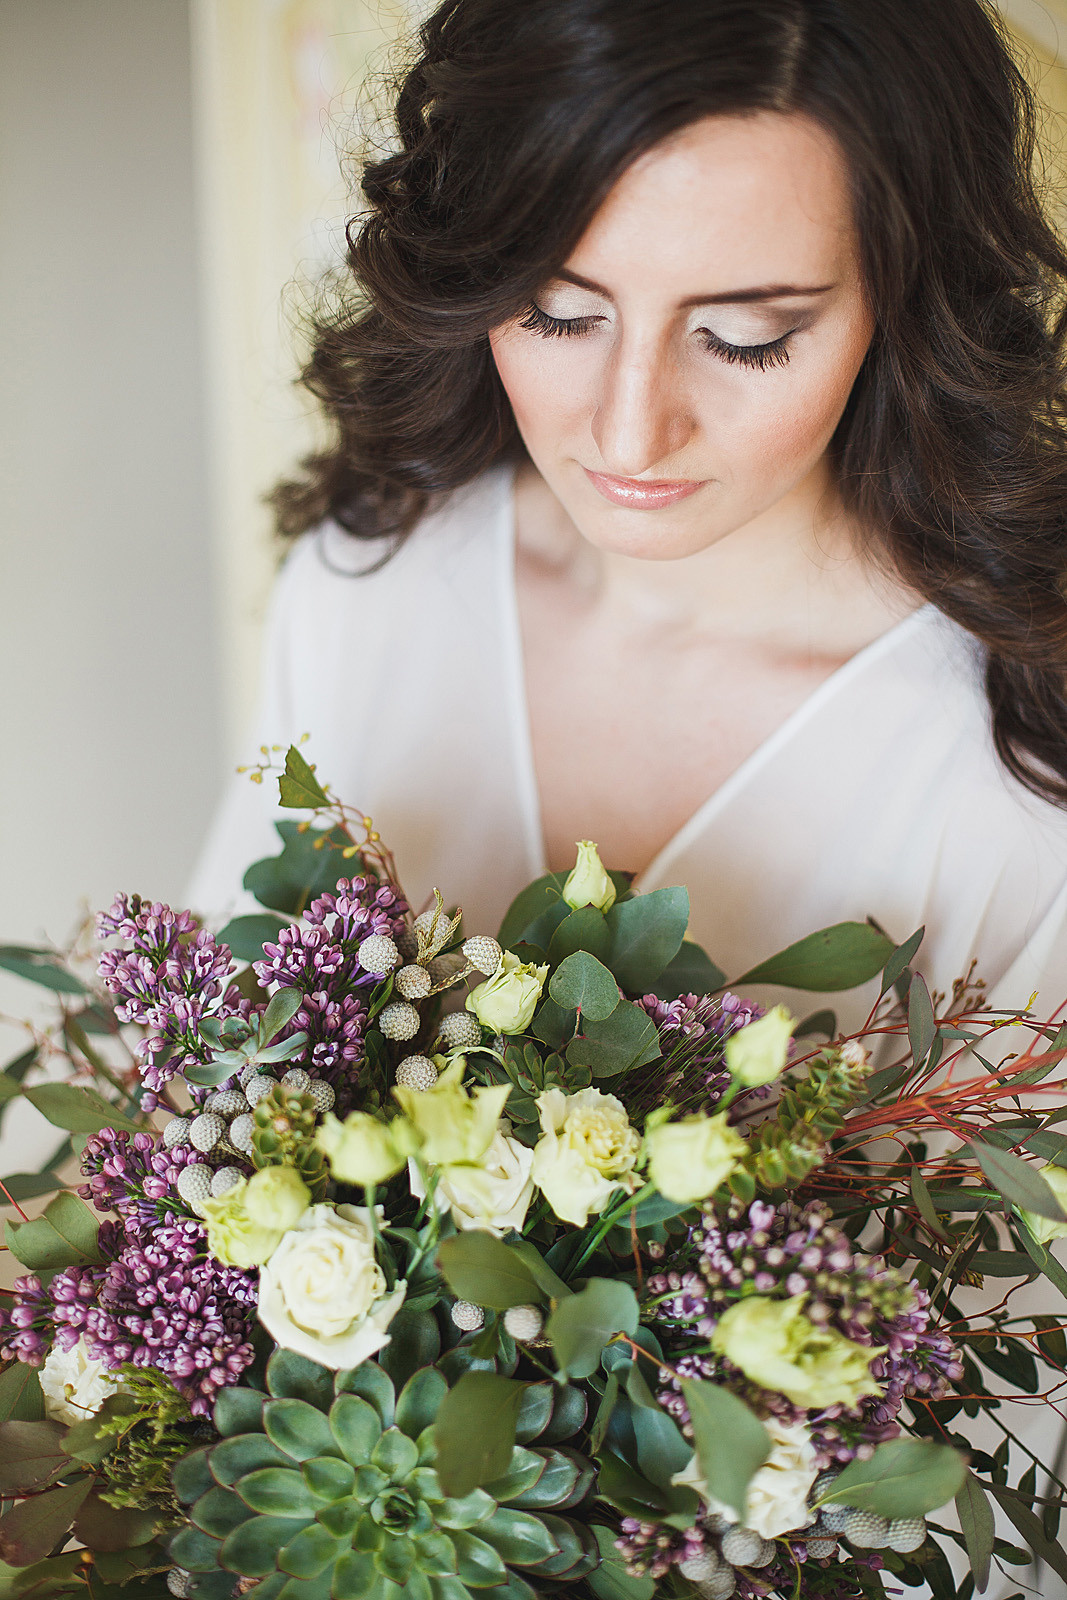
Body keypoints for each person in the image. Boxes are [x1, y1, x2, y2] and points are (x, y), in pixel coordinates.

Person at [185, 4, 1067, 1590]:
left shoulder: (1021, 763)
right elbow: (202, 1075)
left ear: (905, 299)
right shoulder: (374, 577)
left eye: (747, 335)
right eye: (556, 308)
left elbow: (1017, 1397)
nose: (626, 427)